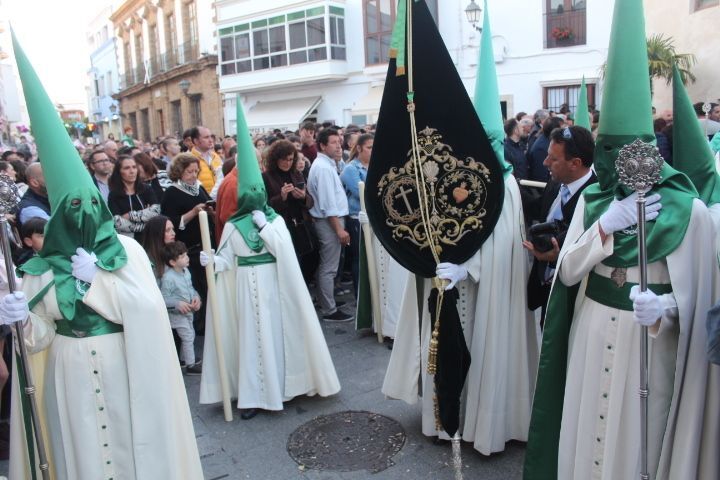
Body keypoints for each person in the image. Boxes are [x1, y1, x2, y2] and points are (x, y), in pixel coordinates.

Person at [524, 2, 719, 477]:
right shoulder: (594, 202)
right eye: (606, 150)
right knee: (588, 426)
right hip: (592, 330)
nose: (615, 165)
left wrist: (667, 309)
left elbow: (705, 301)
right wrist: (604, 227)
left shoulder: (690, 212)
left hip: (649, 341)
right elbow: (568, 272)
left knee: (636, 441)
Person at [4, 32, 203, 479]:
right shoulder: (40, 267)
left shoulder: (126, 249)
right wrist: (21, 320)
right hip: (68, 373)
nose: (81, 216)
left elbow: (148, 311)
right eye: (70, 209)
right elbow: (40, 336)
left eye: (87, 206)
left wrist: (96, 281)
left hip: (122, 366)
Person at [199, 101, 340, 420]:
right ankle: (253, 395)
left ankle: (284, 387)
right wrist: (212, 261)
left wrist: (265, 227)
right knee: (250, 341)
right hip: (244, 292)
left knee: (276, 337)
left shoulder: (273, 220)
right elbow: (227, 259)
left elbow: (284, 251)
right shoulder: (233, 225)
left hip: (273, 288)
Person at [523, 125, 596, 320]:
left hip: (574, 298)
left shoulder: (597, 198)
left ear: (575, 163)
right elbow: (538, 207)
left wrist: (557, 258)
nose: (545, 162)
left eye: (553, 159)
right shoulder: (556, 182)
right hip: (545, 289)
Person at [160, 152, 214, 333]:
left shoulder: (199, 187)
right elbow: (170, 221)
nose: (193, 175)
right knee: (195, 287)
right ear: (179, 172)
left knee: (208, 286)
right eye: (189, 172)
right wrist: (192, 212)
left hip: (205, 244)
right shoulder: (172, 192)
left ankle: (210, 321)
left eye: (196, 171)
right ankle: (198, 327)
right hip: (188, 248)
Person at [307, 128, 352, 322]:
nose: (338, 146)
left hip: (329, 221)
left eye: (339, 141)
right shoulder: (323, 168)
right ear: (323, 145)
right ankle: (329, 310)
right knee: (329, 267)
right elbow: (328, 205)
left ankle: (325, 300)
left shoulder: (326, 164)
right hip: (329, 222)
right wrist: (339, 229)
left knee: (327, 265)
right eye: (333, 142)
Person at [262, 139, 317, 282]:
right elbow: (265, 206)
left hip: (301, 225)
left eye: (291, 159)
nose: (287, 163)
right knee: (291, 267)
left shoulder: (296, 174)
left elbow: (311, 202)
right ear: (276, 159)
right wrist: (282, 197)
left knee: (308, 262)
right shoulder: (266, 177)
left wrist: (303, 197)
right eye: (284, 160)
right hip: (282, 226)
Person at [160, 240, 202, 374]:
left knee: (190, 334)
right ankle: (191, 365)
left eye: (186, 255)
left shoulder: (186, 272)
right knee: (188, 336)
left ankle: (184, 359)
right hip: (176, 315)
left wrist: (196, 297)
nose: (187, 258)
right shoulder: (168, 278)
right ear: (172, 262)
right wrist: (177, 304)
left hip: (188, 312)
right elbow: (163, 299)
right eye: (182, 256)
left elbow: (191, 288)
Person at [340, 133, 373, 295]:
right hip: (357, 217)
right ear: (359, 149)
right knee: (359, 257)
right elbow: (362, 193)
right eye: (369, 147)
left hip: (372, 217)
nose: (372, 151)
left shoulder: (373, 165)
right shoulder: (351, 169)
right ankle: (360, 293)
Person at [107, 154, 160, 243]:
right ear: (119, 172)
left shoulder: (146, 189)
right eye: (127, 168)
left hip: (150, 239)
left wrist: (130, 216)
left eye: (134, 167)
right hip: (128, 241)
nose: (132, 171)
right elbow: (117, 222)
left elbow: (156, 211)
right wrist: (145, 221)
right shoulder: (114, 194)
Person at [189, 125, 223, 196]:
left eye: (211, 136)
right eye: (206, 137)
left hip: (219, 198)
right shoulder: (189, 159)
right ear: (196, 141)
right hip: (202, 200)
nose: (211, 140)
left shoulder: (216, 156)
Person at [140, 214, 176, 281]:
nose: (173, 233)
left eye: (173, 229)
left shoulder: (174, 252)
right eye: (168, 230)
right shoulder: (146, 260)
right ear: (157, 233)